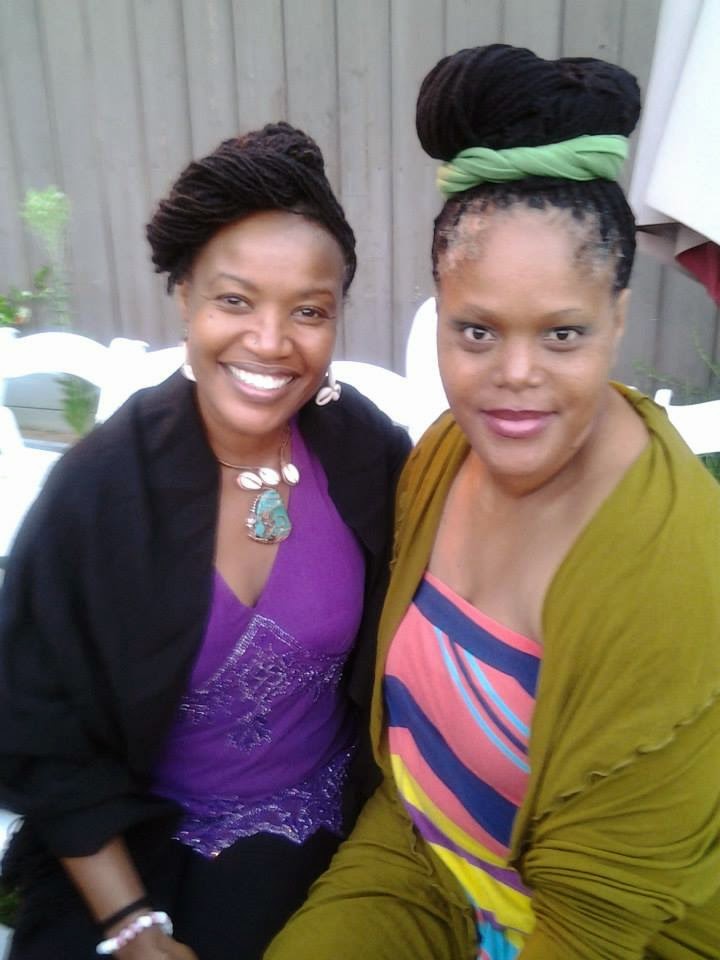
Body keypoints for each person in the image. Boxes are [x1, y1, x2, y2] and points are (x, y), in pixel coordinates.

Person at [265, 45, 720, 960]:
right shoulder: (442, 456)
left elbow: (595, 926)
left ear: (618, 318)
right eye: (476, 331)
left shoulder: (675, 572)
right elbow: (414, 789)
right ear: (437, 314)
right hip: (426, 865)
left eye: (563, 334)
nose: (515, 377)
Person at [0, 123, 410, 960]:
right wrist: (132, 926)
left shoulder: (364, 451)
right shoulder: (102, 489)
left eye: (309, 311)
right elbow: (37, 718)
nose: (271, 342)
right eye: (235, 300)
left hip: (342, 836)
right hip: (137, 852)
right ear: (184, 295)